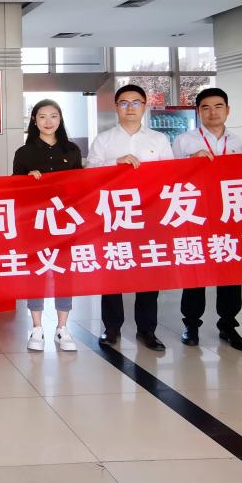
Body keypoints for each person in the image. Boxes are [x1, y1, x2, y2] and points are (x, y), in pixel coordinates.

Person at [172, 87, 242, 352]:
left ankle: (228, 325)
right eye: (206, 107)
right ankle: (191, 325)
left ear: (228, 110)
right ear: (198, 112)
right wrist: (189, 161)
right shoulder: (184, 141)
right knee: (196, 269)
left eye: (218, 106)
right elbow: (170, 175)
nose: (213, 112)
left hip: (229, 215)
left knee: (231, 268)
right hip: (196, 214)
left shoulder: (237, 141)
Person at [87, 84, 174, 351]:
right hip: (114, 215)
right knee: (112, 271)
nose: (130, 108)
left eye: (136, 102)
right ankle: (111, 328)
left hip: (149, 216)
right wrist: (115, 164)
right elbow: (89, 173)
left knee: (148, 273)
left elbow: (170, 174)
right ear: (116, 107)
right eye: (124, 103)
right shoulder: (104, 140)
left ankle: (147, 330)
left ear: (145, 106)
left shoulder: (158, 140)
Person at [13, 99, 82, 352]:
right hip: (36, 223)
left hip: (64, 222)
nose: (48, 121)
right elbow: (13, 189)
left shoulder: (72, 150)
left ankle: (62, 328)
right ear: (34, 120)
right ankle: (37, 327)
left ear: (60, 119)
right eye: (42, 116)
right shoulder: (24, 152)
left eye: (53, 116)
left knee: (64, 273)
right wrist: (26, 180)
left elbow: (80, 186)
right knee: (37, 272)